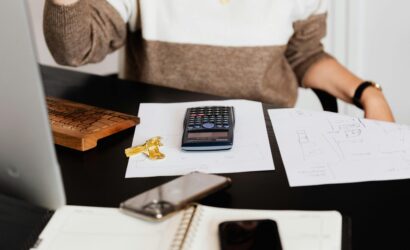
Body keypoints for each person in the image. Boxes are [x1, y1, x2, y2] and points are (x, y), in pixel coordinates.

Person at [43, 0, 394, 122]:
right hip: (158, 139)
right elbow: (75, 49)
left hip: (268, 134)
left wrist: (368, 93)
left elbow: (304, 54)